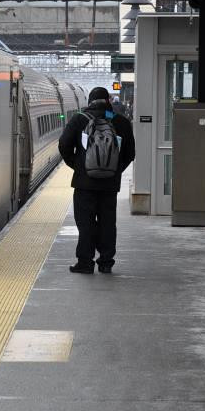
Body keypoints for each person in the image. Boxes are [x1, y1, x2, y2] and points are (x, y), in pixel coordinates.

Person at [58, 86, 135, 274]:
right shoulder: (121, 122)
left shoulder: (79, 120)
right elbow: (130, 153)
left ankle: (85, 262)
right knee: (108, 223)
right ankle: (106, 262)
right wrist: (115, 171)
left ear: (90, 101)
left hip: (85, 183)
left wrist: (78, 167)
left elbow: (64, 146)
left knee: (85, 223)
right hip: (109, 185)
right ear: (108, 101)